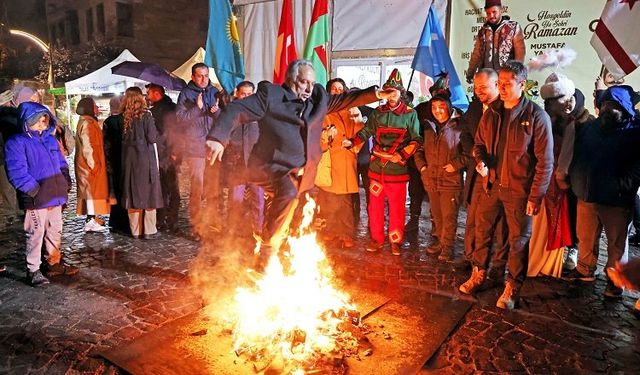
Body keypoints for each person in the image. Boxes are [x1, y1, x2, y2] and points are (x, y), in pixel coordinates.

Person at [206, 59, 390, 271]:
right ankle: (265, 253)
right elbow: (236, 109)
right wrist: (218, 137)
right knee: (289, 191)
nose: (309, 88)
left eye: (312, 83)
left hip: (306, 173)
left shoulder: (318, 98)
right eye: (304, 82)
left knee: (300, 214)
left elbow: (345, 99)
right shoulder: (271, 95)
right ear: (291, 80)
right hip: (273, 168)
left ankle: (288, 262)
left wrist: (377, 94)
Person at [458, 60, 554, 310]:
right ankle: (479, 273)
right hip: (490, 186)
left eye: (507, 84)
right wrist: (481, 161)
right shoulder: (492, 112)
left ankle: (512, 286)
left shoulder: (536, 117)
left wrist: (535, 197)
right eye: (499, 83)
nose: (501, 88)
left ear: (522, 84)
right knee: (483, 232)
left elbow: (546, 161)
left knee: (517, 241)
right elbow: (478, 143)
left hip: (519, 192)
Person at [564, 85, 640, 298]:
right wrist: (577, 181)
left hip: (616, 201)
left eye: (612, 105)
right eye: (605, 104)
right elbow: (579, 155)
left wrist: (622, 186)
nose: (607, 109)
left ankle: (615, 280)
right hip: (587, 195)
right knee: (586, 237)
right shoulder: (591, 128)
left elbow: (637, 166)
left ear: (624, 108)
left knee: (616, 243)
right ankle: (584, 270)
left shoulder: (634, 132)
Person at [4, 102, 78, 286]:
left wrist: (65, 182)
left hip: (56, 195)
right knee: (35, 233)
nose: (41, 124)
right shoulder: (16, 143)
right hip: (36, 199)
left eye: (44, 120)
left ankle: (53, 263)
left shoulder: (50, 140)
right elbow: (16, 171)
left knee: (55, 230)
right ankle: (33, 269)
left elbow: (62, 164)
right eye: (37, 121)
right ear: (26, 121)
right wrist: (34, 190)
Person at [528, 73, 594, 278]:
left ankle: (571, 252)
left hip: (575, 180)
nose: (565, 104)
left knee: (573, 220)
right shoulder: (546, 120)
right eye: (559, 101)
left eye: (567, 99)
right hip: (551, 181)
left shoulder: (584, 120)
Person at [352, 69, 422, 256]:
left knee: (397, 208)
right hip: (376, 171)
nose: (391, 95)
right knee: (374, 207)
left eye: (395, 92)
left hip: (397, 171)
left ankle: (395, 241)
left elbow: (417, 140)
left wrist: (402, 156)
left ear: (401, 93)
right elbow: (366, 132)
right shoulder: (377, 113)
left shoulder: (410, 114)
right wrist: (353, 142)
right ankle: (377, 239)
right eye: (388, 91)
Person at [459, 69, 509, 279]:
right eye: (476, 87)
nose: (479, 91)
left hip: (499, 176)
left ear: (498, 85)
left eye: (484, 87)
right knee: (473, 217)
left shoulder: (507, 110)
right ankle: (471, 258)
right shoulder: (474, 108)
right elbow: (467, 135)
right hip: (477, 171)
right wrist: (476, 155)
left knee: (498, 226)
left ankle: (496, 266)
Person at [414, 90, 467, 262]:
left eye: (441, 107)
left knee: (449, 217)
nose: (437, 110)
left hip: (451, 181)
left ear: (449, 107)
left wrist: (456, 165)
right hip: (431, 179)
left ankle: (448, 247)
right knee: (436, 216)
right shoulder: (428, 126)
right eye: (434, 107)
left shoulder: (460, 126)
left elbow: (470, 153)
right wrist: (422, 168)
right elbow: (419, 150)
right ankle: (439, 241)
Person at [317, 78, 365, 249]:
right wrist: (325, 135)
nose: (336, 92)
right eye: (333, 89)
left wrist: (353, 144)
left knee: (344, 200)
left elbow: (361, 132)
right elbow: (316, 133)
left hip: (345, 157)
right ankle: (331, 230)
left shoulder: (352, 109)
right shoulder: (323, 110)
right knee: (329, 198)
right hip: (330, 157)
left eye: (339, 89)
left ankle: (346, 233)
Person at [176, 63, 220, 240]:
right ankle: (196, 226)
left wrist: (216, 112)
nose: (204, 79)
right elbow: (180, 120)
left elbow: (221, 117)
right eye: (200, 76)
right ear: (193, 77)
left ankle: (213, 222)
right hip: (195, 148)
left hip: (212, 147)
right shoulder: (186, 94)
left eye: (206, 75)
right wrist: (197, 108)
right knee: (197, 188)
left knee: (213, 188)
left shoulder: (214, 91)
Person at [221, 81, 265, 237]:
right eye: (243, 93)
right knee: (235, 200)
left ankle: (258, 229)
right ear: (237, 94)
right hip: (237, 163)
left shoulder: (261, 113)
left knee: (258, 200)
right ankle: (232, 229)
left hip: (255, 164)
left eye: (249, 94)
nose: (246, 97)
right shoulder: (230, 113)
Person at [120, 87, 164, 239]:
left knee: (132, 194)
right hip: (146, 159)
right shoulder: (146, 115)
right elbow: (152, 138)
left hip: (129, 161)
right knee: (150, 193)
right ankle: (149, 230)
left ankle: (136, 230)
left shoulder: (123, 117)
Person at [146, 84, 180, 232]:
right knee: (167, 187)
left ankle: (167, 219)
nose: (147, 96)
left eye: (149, 93)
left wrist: (174, 151)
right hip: (165, 153)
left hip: (167, 154)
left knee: (168, 188)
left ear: (157, 94)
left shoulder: (165, 110)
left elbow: (173, 132)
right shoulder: (163, 108)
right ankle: (167, 218)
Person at [74, 97, 112, 232]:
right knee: (91, 192)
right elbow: (88, 146)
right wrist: (93, 164)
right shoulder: (87, 123)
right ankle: (90, 220)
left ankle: (93, 218)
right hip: (89, 166)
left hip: (91, 164)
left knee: (94, 192)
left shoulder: (89, 122)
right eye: (94, 106)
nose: (97, 108)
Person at [466, 0, 525, 84]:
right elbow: (476, 54)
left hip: (506, 76)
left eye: (494, 12)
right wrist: (470, 73)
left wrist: (517, 72)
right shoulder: (483, 31)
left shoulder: (513, 28)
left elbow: (520, 51)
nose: (491, 15)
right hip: (487, 78)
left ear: (501, 10)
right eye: (488, 13)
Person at [103, 95, 129, 232]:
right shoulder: (124, 120)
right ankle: (123, 221)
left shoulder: (109, 121)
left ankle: (116, 221)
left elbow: (105, 143)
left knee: (115, 191)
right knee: (123, 190)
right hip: (123, 159)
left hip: (113, 160)